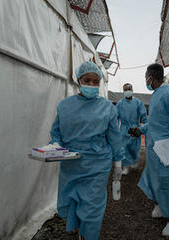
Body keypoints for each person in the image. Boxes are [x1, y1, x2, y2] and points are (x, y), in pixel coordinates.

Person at [49, 61, 123, 240]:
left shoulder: (107, 107)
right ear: (78, 80)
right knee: (72, 199)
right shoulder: (65, 105)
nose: (91, 85)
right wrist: (56, 145)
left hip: (97, 163)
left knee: (92, 205)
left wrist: (118, 161)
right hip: (71, 162)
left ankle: (88, 235)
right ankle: (78, 228)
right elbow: (56, 131)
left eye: (95, 81)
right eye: (87, 80)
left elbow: (114, 136)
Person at [130, 63, 169, 237]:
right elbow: (155, 123)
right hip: (155, 151)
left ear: (150, 77)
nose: (145, 81)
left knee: (167, 183)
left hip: (167, 151)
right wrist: (140, 130)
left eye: (145, 78)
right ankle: (161, 206)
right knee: (154, 180)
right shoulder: (156, 95)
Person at [116, 83, 148, 175]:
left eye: (129, 89)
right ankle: (125, 167)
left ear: (132, 90)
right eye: (125, 90)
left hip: (135, 128)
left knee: (134, 148)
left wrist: (144, 127)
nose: (127, 91)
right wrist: (115, 130)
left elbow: (143, 115)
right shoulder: (120, 103)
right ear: (123, 91)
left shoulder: (138, 102)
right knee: (124, 148)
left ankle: (134, 162)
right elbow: (116, 117)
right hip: (124, 129)